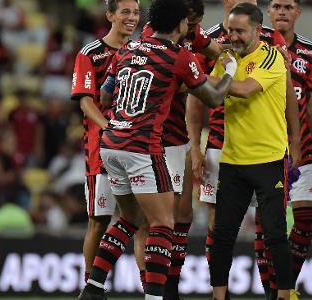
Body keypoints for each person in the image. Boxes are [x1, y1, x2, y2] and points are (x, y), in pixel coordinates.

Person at [79, 0, 236, 298]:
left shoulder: (128, 48)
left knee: (129, 219)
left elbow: (105, 95)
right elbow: (214, 99)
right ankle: (155, 296)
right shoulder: (180, 56)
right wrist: (230, 69)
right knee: (164, 224)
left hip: (112, 143)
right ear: (180, 25)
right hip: (143, 147)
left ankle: (93, 286)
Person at [186, 1, 300, 297]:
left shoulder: (272, 57)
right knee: (222, 235)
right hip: (233, 160)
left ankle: (285, 295)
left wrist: (203, 78)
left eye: (239, 31)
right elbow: (209, 97)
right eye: (230, 31)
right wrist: (205, 78)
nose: (233, 36)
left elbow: (246, 89)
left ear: (258, 31)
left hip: (269, 159)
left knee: (275, 235)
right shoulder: (226, 60)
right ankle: (219, 296)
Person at [138, 1, 228, 297]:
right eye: (190, 23)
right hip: (155, 138)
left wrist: (232, 59)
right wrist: (195, 81)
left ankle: (171, 286)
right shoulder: (152, 39)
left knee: (184, 216)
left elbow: (218, 53)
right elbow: (164, 83)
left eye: (197, 23)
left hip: (180, 136)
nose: (193, 29)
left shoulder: (194, 35)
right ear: (178, 19)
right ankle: (154, 288)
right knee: (156, 221)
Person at [71, 0, 141, 285]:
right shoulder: (91, 53)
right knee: (99, 221)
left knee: (142, 222)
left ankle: (149, 285)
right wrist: (108, 127)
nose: (132, 18)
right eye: (125, 12)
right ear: (110, 15)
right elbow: (85, 101)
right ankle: (90, 286)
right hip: (101, 150)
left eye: (136, 13)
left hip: (137, 148)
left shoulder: (140, 52)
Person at [266, 0, 312, 296]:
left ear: (298, 12)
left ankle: (283, 289)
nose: (282, 11)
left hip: (302, 152)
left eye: (289, 6)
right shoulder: (256, 47)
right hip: (264, 150)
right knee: (268, 229)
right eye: (276, 5)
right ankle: (275, 292)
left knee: (303, 225)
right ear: (268, 11)